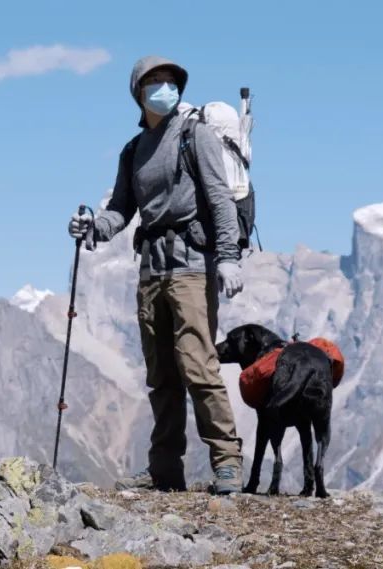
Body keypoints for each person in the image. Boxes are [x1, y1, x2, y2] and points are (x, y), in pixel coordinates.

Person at [68, 56, 245, 494]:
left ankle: (227, 462)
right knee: (162, 376)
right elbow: (121, 211)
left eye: (170, 81)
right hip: (151, 271)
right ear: (139, 93)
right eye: (155, 82)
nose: (165, 88)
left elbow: (220, 199)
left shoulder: (194, 134)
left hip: (190, 268)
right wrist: (94, 227)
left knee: (198, 366)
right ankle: (165, 469)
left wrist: (228, 257)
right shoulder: (133, 151)